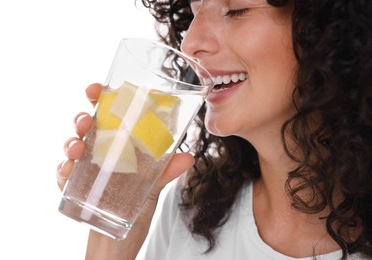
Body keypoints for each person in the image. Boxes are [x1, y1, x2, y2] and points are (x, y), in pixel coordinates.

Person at [56, 0, 372, 259]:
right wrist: (111, 224)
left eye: (235, 10)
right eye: (194, 12)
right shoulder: (192, 206)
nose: (191, 44)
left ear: (329, 30)